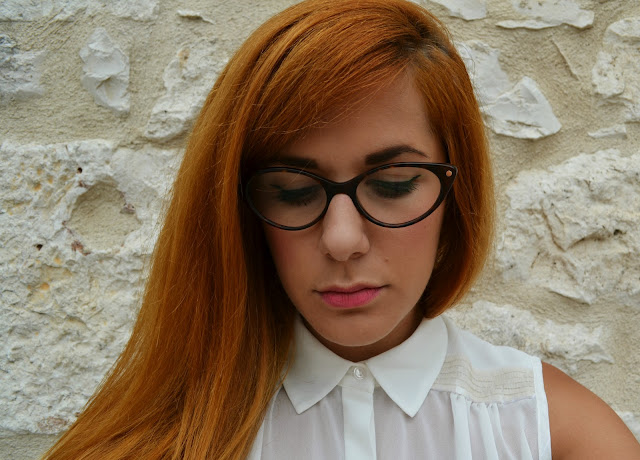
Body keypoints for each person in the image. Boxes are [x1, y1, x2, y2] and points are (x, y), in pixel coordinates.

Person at [44, 0, 640, 459]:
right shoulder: (158, 435)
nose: (342, 240)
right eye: (293, 191)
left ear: (457, 196)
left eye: (394, 184)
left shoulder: (557, 434)